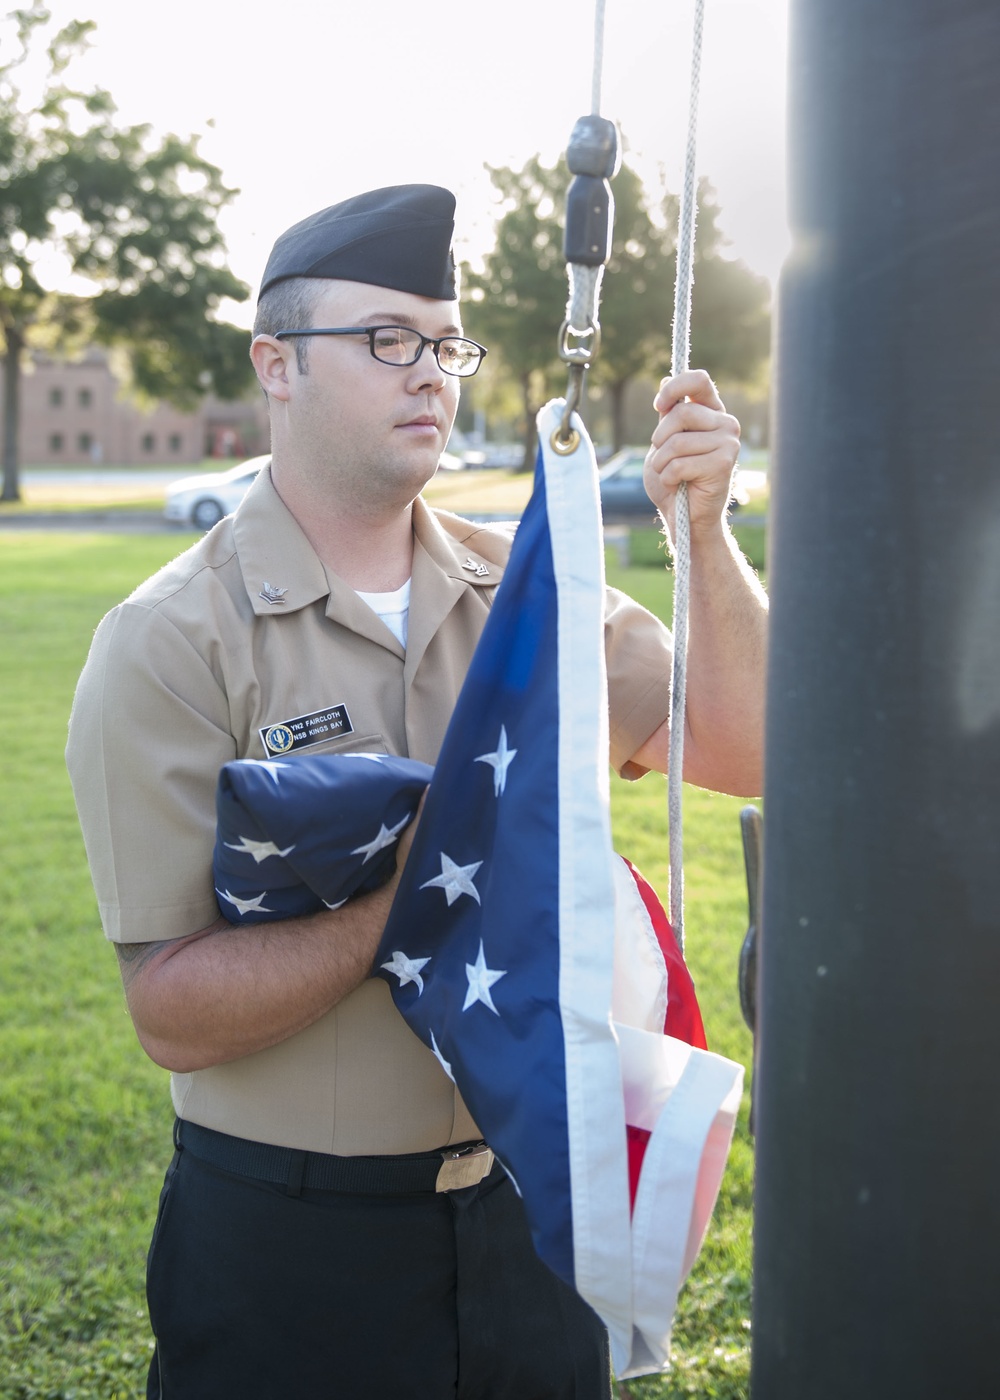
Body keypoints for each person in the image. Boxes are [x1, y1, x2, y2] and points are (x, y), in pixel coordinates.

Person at [66, 184, 767, 1400]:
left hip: (531, 1210)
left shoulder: (528, 596)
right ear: (274, 364)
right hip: (294, 1243)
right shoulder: (175, 639)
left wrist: (701, 528)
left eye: (443, 343)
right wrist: (427, 879)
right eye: (385, 340)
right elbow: (171, 1009)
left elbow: (746, 747)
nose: (429, 373)